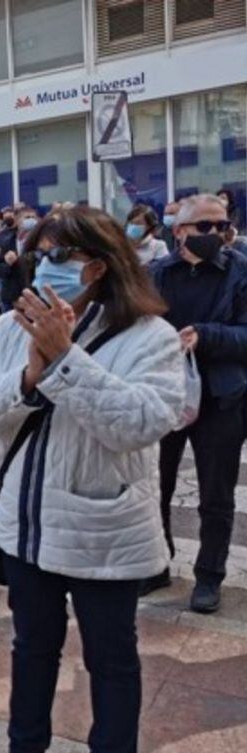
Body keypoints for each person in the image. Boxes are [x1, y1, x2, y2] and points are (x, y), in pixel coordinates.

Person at [0, 206, 183, 753]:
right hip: (23, 527)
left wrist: (63, 360)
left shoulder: (148, 338)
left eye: (60, 257)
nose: (46, 269)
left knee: (111, 661)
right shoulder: (11, 326)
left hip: (102, 530)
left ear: (99, 266)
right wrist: (27, 379)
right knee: (32, 650)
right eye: (41, 256)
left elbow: (140, 423)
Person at [148, 193, 247, 613]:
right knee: (155, 487)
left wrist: (205, 335)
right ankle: (157, 563)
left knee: (216, 497)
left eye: (221, 225)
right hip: (164, 398)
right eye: (204, 226)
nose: (216, 234)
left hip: (222, 400)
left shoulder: (240, 272)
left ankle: (209, 577)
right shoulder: (156, 274)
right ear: (179, 231)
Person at [0, 207, 39, 313]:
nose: (31, 220)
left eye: (33, 217)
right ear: (18, 221)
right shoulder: (6, 240)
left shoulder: (41, 241)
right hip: (12, 297)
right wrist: (8, 264)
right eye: (27, 217)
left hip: (36, 297)